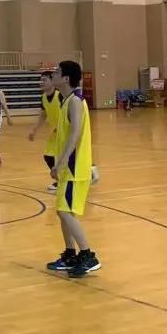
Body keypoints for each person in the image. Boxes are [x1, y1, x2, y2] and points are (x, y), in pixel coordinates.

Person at [45, 60, 100, 278]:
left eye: (57, 72)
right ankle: (70, 254)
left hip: (74, 168)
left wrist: (60, 162)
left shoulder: (75, 102)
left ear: (66, 78)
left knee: (65, 211)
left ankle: (88, 255)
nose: (53, 75)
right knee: (62, 211)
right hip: (69, 168)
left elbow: (75, 134)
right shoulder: (65, 100)